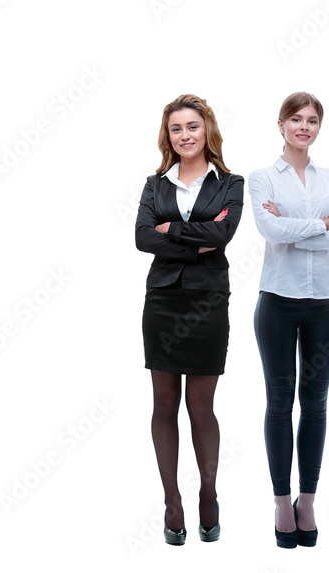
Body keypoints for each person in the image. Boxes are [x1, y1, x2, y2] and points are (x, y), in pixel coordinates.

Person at [249, 92, 329, 549]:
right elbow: (270, 231)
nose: (304, 127)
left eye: (312, 121)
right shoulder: (260, 179)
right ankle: (280, 501)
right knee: (279, 403)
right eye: (296, 119)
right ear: (281, 124)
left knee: (315, 404)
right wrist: (323, 224)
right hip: (277, 301)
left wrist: (308, 226)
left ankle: (307, 500)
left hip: (324, 304)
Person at [135, 94, 243, 546]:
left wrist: (171, 231)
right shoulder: (155, 184)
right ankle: (172, 501)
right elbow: (142, 238)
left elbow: (222, 235)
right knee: (164, 405)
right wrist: (194, 240)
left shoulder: (230, 183)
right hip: (162, 302)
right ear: (169, 136)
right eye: (177, 128)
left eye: (192, 127)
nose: (185, 135)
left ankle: (209, 493)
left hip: (207, 303)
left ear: (207, 131)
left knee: (201, 407)